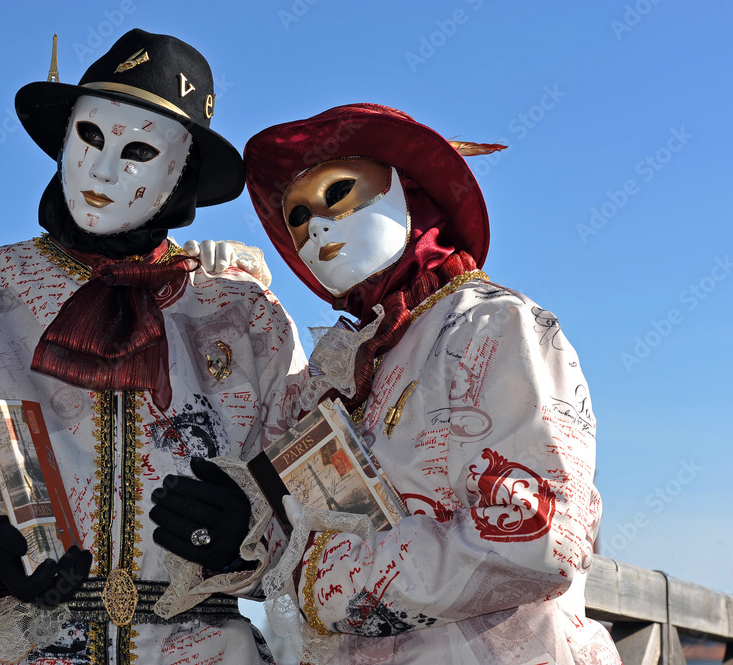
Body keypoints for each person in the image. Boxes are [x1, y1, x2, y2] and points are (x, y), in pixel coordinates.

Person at [0, 29, 305, 665]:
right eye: (90, 136)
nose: (102, 169)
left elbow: (323, 501)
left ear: (180, 174)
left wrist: (249, 530)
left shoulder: (245, 319)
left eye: (137, 151)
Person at [242, 104, 621, 665]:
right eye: (296, 217)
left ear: (408, 192)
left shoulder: (493, 325)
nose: (315, 226)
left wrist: (335, 581)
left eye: (338, 194)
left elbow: (544, 536)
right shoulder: (346, 372)